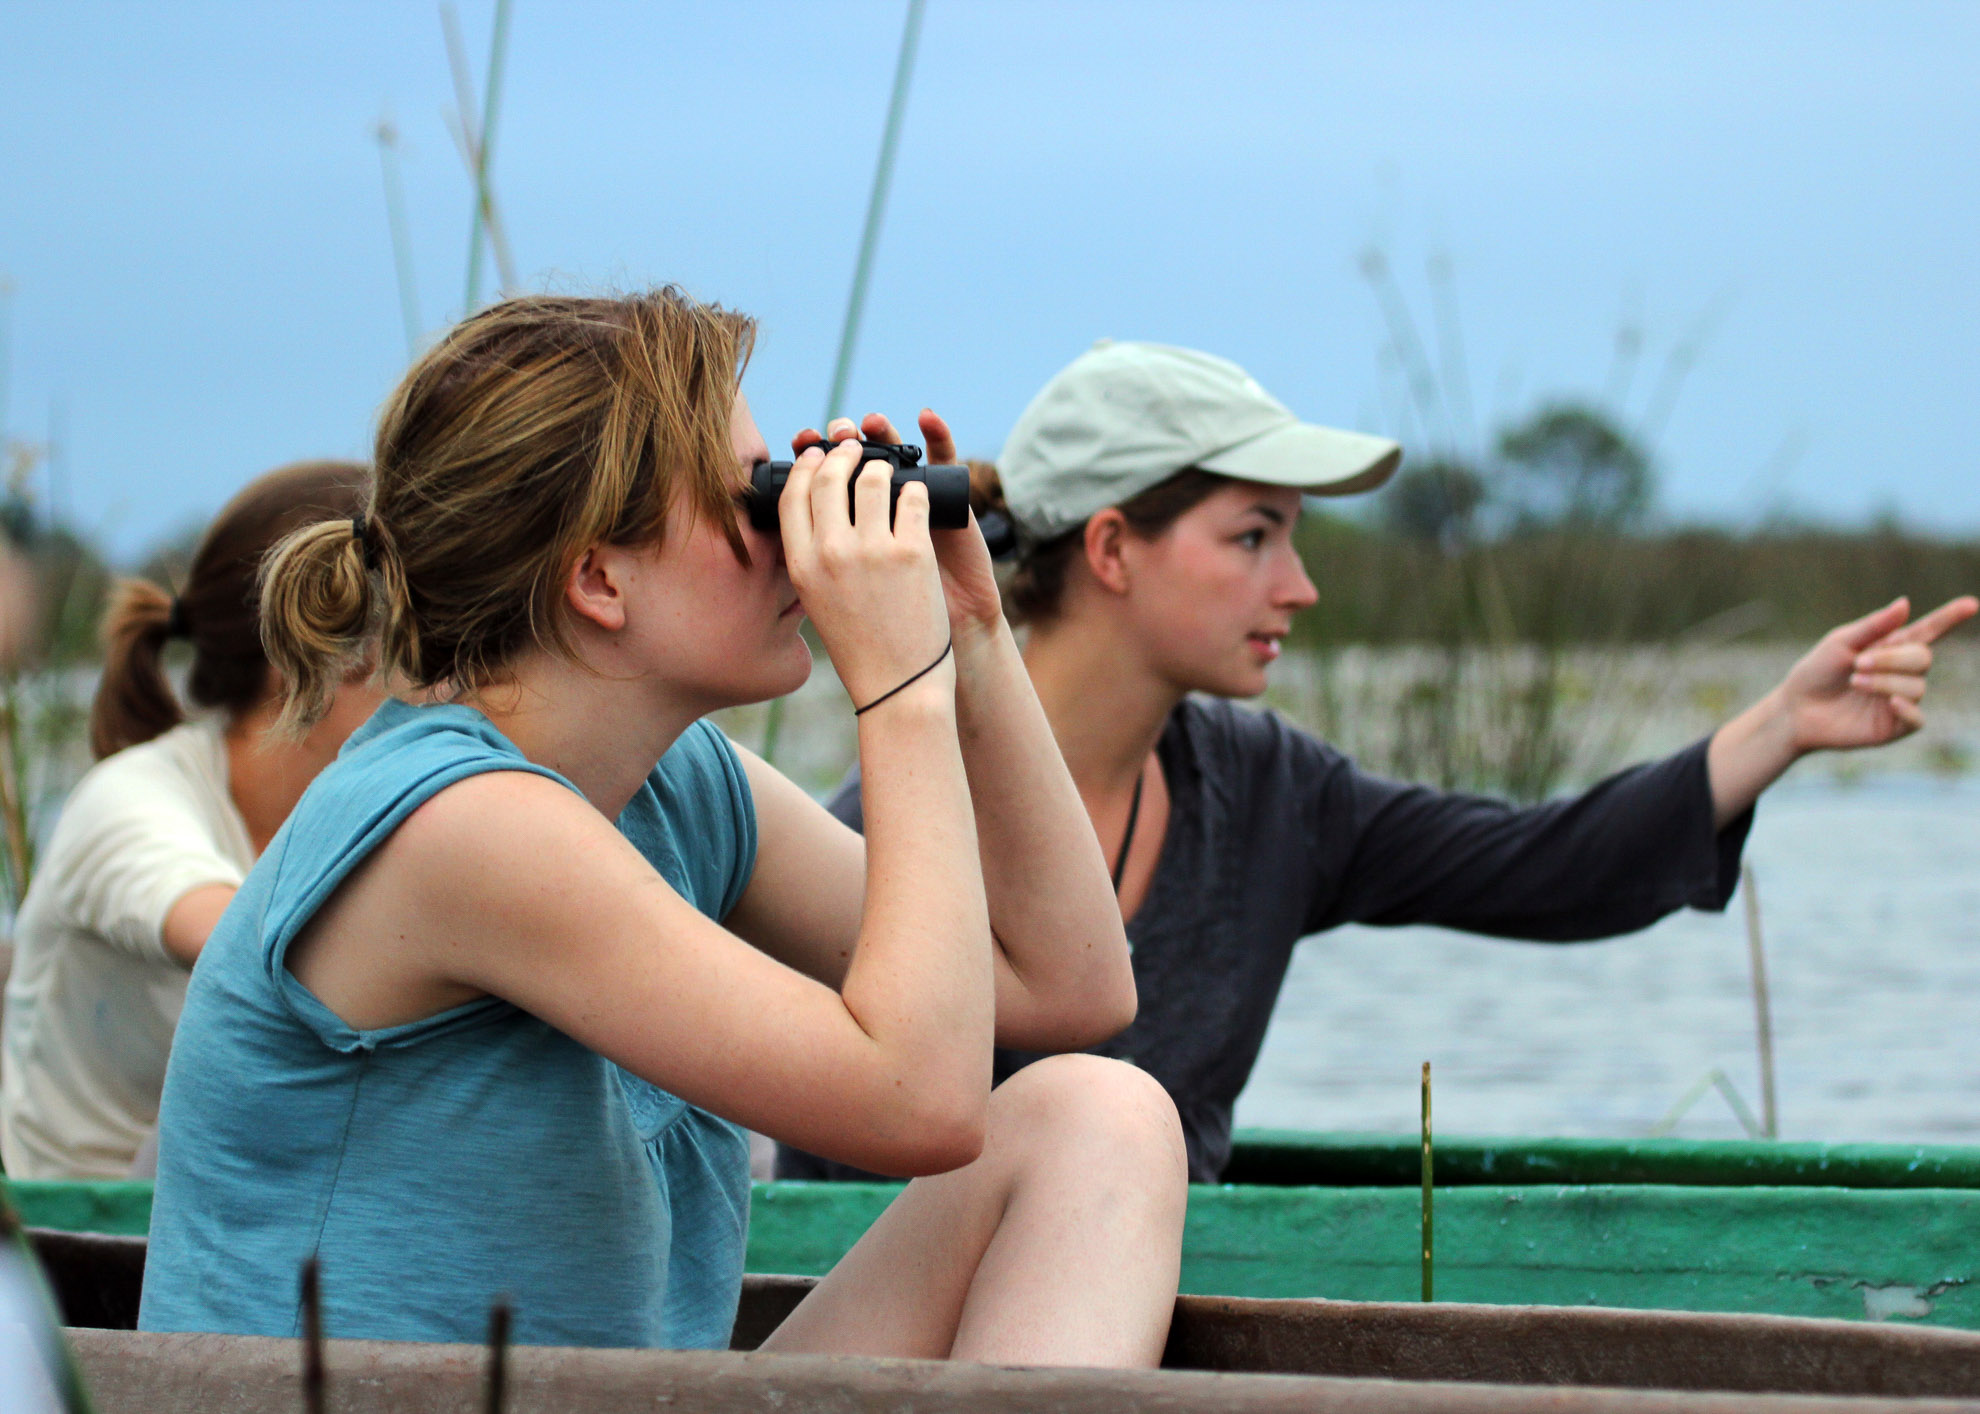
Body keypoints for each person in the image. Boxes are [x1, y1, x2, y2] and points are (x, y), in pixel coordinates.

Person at [137, 291, 1186, 1363]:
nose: (796, 541)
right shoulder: (460, 827)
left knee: (1096, 1120)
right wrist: (897, 686)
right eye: (755, 504)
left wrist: (968, 631)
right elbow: (919, 1102)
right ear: (597, 576)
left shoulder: (675, 784)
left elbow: (1070, 984)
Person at [783, 338, 1979, 1183]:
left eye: (1293, 540)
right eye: (1254, 536)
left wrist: (1781, 726)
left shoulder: (1268, 793)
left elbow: (1541, 866)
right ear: (1112, 548)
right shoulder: (888, 823)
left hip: (1162, 1320)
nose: (1298, 586)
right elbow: (835, 1177)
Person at [1, 461, 378, 1179]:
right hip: (86, 1245)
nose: (454, 681)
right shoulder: (131, 801)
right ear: (313, 652)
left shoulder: (345, 815)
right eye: (427, 642)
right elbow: (243, 948)